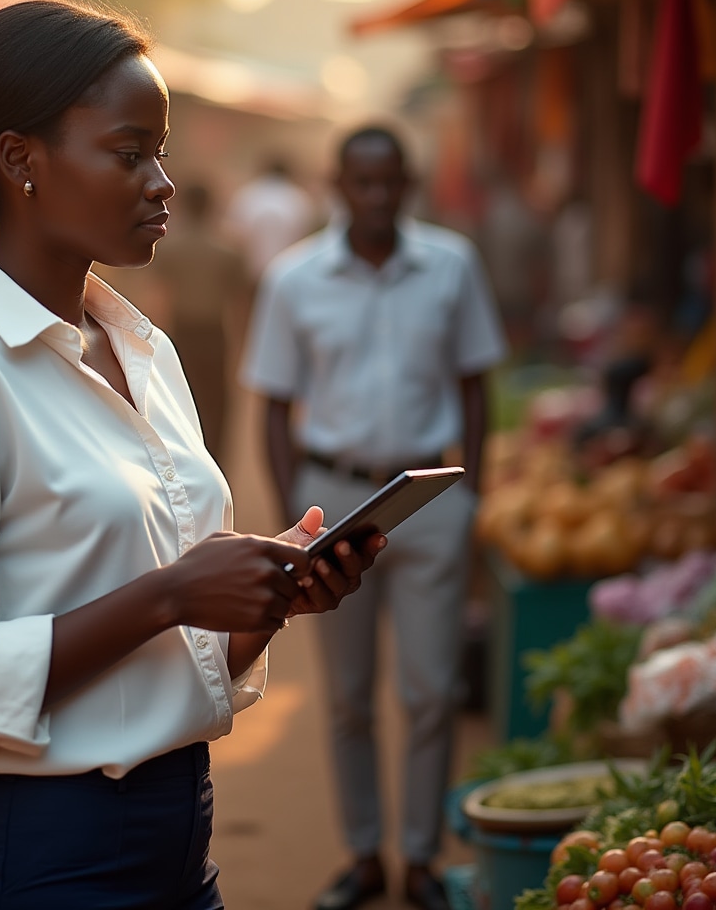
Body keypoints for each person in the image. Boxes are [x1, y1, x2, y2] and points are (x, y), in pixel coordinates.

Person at [0, 0, 386, 910]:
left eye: (161, 152)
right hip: (28, 858)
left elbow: (167, 658)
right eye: (130, 153)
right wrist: (169, 593)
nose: (163, 181)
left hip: (175, 844)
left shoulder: (144, 351)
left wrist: (266, 598)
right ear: (22, 161)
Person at [241, 125, 508, 910]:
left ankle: (420, 859)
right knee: (349, 696)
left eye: (390, 183)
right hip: (338, 502)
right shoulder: (294, 280)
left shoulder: (452, 267)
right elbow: (273, 406)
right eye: (362, 183)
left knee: (430, 693)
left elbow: (475, 384)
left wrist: (475, 496)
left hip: (428, 498)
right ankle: (365, 857)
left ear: (408, 185)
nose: (377, 197)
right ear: (338, 186)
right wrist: (299, 516)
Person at [148, 181, 248, 466]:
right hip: (215, 332)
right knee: (217, 402)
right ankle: (216, 462)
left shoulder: (169, 246)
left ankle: (185, 460)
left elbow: (159, 297)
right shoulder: (227, 248)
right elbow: (239, 304)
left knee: (179, 397)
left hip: (181, 331)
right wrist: (240, 345)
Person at [221, 156, 317, 290]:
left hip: (251, 271)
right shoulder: (299, 197)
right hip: (289, 270)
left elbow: (233, 234)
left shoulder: (246, 194)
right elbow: (305, 236)